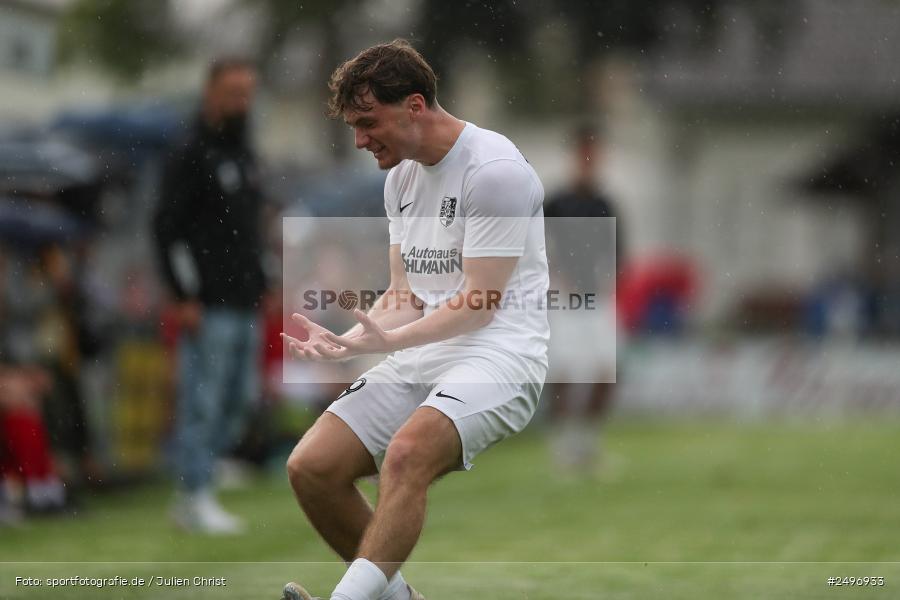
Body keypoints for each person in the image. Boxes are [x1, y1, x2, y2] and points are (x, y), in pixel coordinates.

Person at [279, 39, 549, 600]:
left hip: (502, 356)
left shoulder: (495, 171)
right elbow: (405, 294)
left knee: (405, 455)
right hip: (426, 352)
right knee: (312, 467)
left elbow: (480, 304)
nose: (359, 140)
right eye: (353, 125)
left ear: (416, 105)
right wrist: (350, 341)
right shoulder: (399, 179)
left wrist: (391, 339)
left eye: (368, 121)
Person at [153, 57, 267, 534]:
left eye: (248, 92)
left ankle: (204, 477)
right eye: (233, 92)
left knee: (240, 399)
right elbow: (165, 228)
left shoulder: (244, 153)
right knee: (202, 402)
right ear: (211, 93)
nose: (241, 102)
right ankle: (192, 495)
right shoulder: (191, 153)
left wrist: (265, 276)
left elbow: (248, 230)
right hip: (208, 304)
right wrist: (182, 294)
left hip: (246, 300)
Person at [543, 125, 623, 473]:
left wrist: (609, 281)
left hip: (598, 299)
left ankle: (588, 443)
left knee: (606, 370)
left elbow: (619, 253)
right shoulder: (557, 202)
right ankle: (564, 446)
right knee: (564, 371)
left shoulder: (605, 203)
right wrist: (556, 280)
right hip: (564, 298)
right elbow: (537, 247)